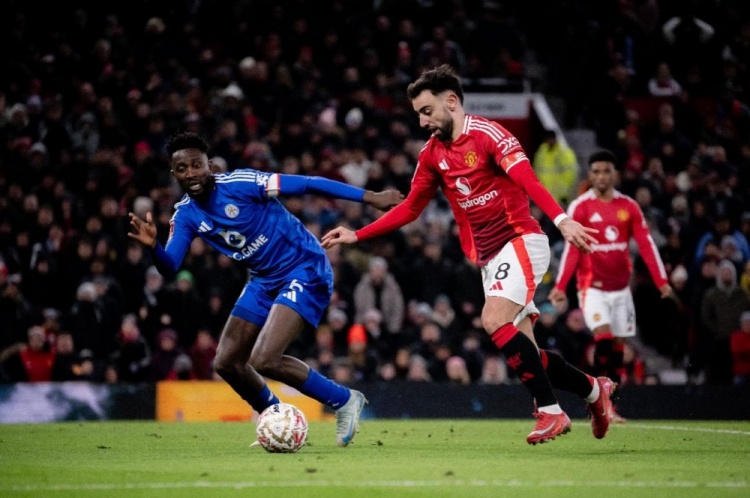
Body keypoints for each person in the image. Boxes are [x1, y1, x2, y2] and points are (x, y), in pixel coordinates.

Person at [321, 64, 614, 445]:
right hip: (490, 259)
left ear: (451, 102)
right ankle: (594, 390)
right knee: (530, 353)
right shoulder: (431, 155)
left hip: (521, 239)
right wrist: (358, 234)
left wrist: (562, 220)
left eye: (427, 111)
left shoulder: (489, 135)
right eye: (418, 115)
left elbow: (528, 179)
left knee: (492, 319)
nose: (423, 122)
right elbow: (411, 208)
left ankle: (551, 412)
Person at [128, 131, 402, 447]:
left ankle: (344, 399)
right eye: (181, 169)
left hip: (304, 266)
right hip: (263, 279)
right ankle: (276, 417)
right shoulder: (186, 214)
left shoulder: (242, 184)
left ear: (210, 167)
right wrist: (154, 248)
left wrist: (371, 197)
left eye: (195, 165)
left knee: (264, 359)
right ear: (173, 174)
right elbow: (170, 266)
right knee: (227, 362)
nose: (190, 173)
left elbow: (309, 183)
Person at [548, 149, 673, 422]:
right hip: (591, 287)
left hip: (621, 291)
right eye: (596, 172)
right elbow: (572, 250)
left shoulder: (629, 207)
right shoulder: (581, 207)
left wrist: (661, 280)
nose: (601, 176)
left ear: (615, 174)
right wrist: (560, 285)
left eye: (606, 171)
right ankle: (597, 405)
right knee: (603, 339)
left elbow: (646, 244)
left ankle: (610, 408)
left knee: (618, 350)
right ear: (590, 174)